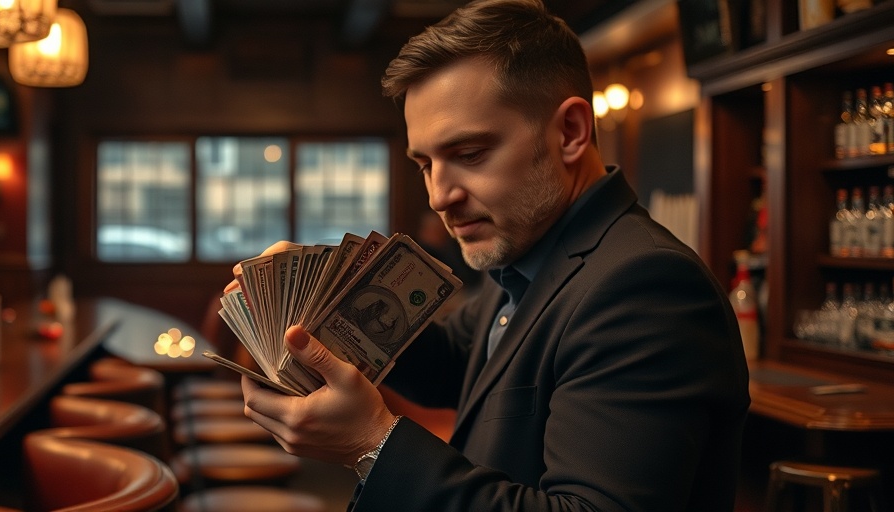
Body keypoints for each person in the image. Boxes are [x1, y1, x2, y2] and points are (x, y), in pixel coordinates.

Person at [228, 1, 751, 510]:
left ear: (570, 131)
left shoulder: (646, 284)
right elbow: (457, 365)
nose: (438, 195)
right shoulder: (530, 253)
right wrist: (326, 300)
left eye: (469, 154)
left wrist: (372, 443)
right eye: (424, 164)